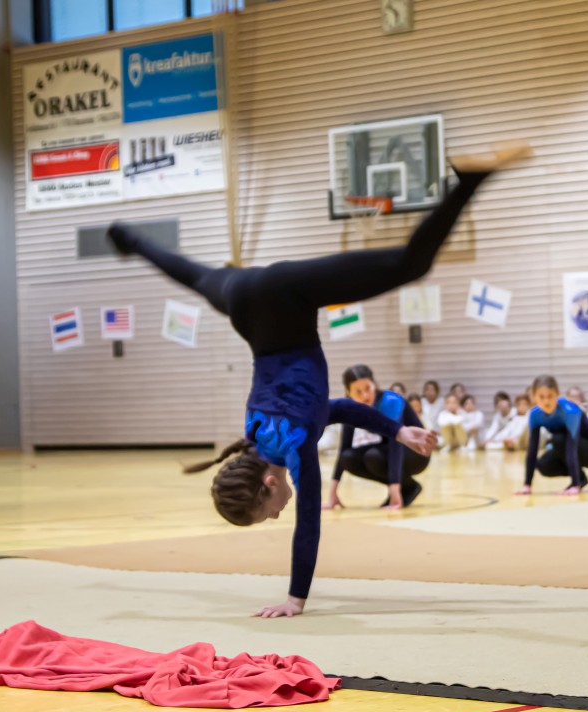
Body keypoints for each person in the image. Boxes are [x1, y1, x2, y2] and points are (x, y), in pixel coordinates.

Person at [109, 142, 530, 616]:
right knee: (190, 275)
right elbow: (338, 409)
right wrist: (398, 430)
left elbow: (308, 521)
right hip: (243, 299)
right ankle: (129, 239)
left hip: (284, 299)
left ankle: (468, 182)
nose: (277, 515)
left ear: (269, 483)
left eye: (268, 511)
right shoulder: (258, 433)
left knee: (411, 264)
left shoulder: (295, 447)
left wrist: (296, 598)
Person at [326, 365, 429, 511]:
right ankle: (409, 487)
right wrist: (332, 494)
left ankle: (404, 488)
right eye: (358, 391)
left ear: (375, 384)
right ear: (348, 393)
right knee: (348, 458)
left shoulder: (390, 401)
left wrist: (394, 490)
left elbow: (396, 445)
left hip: (417, 452)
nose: (365, 395)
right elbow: (344, 447)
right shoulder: (350, 408)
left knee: (373, 456)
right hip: (389, 449)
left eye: (368, 388)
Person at [519, 375, 588, 495]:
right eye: (541, 397)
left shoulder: (569, 411)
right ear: (534, 397)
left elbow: (571, 447)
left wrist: (575, 484)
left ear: (557, 393)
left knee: (558, 439)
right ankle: (581, 478)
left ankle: (577, 481)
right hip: (565, 445)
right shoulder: (535, 415)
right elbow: (532, 450)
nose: (546, 401)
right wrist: (527, 485)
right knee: (543, 464)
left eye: (550, 396)